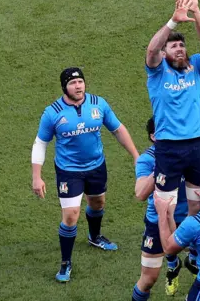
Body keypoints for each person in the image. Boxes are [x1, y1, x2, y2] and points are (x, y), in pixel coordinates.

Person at [144, 0, 200, 268]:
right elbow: (151, 48)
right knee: (165, 207)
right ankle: (171, 255)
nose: (179, 49)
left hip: (197, 147)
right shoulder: (157, 72)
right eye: (174, 46)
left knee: (196, 204)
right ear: (167, 53)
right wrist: (173, 22)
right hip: (169, 149)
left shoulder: (195, 66)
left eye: (181, 45)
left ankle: (192, 252)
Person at [31, 67, 139, 282]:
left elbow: (117, 129)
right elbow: (40, 143)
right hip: (69, 171)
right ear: (65, 87)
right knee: (71, 216)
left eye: (80, 81)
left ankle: (94, 236)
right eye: (73, 83)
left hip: (96, 166)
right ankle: (65, 262)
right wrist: (37, 176)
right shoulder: (52, 112)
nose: (78, 86)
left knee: (98, 203)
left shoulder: (99, 104)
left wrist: (136, 156)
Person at [131, 117, 200, 300]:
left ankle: (191, 260)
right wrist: (164, 166)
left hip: (192, 218)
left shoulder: (191, 150)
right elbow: (140, 193)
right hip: (158, 222)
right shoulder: (146, 159)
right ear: (154, 136)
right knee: (148, 279)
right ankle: (173, 265)